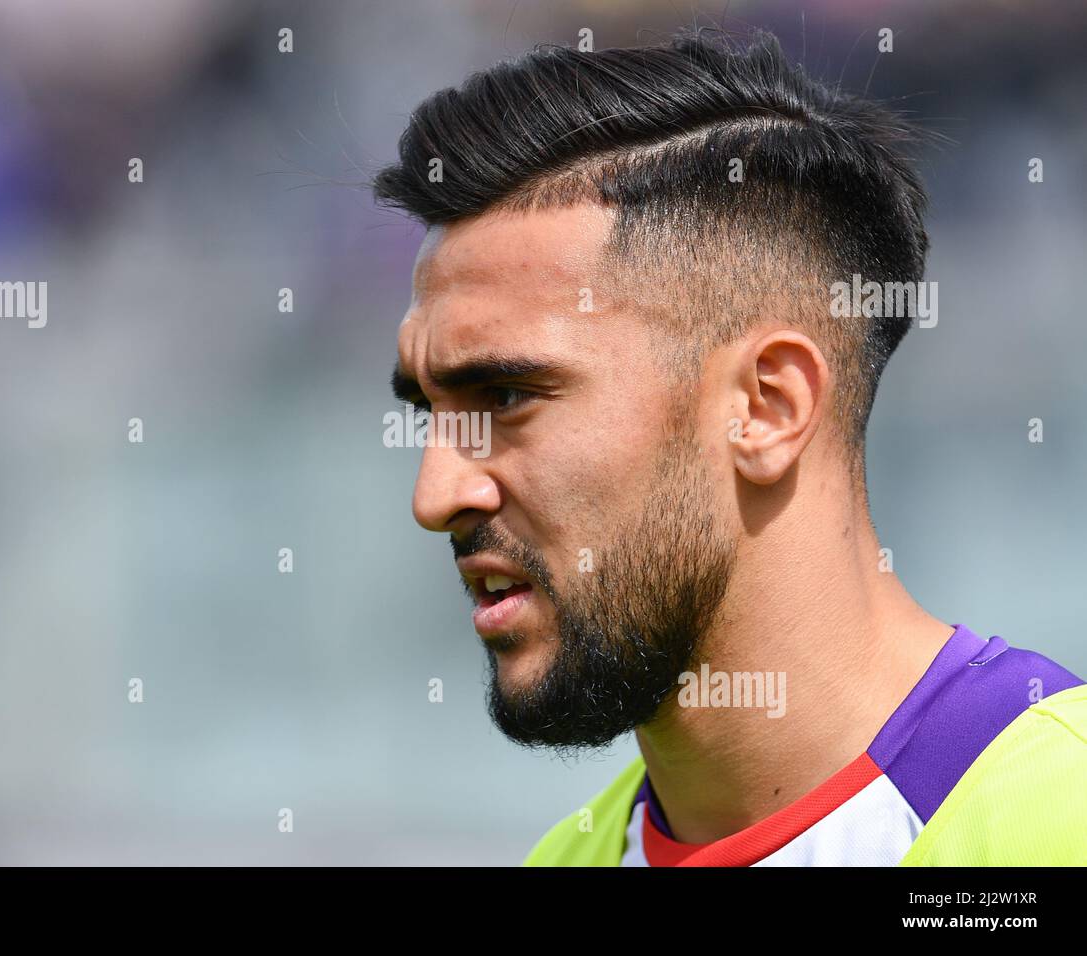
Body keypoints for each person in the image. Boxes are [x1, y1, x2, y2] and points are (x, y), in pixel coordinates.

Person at [376, 30, 1086, 865]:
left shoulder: (1054, 824)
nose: (435, 497)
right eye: (429, 410)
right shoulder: (567, 857)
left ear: (768, 406)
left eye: (506, 397)